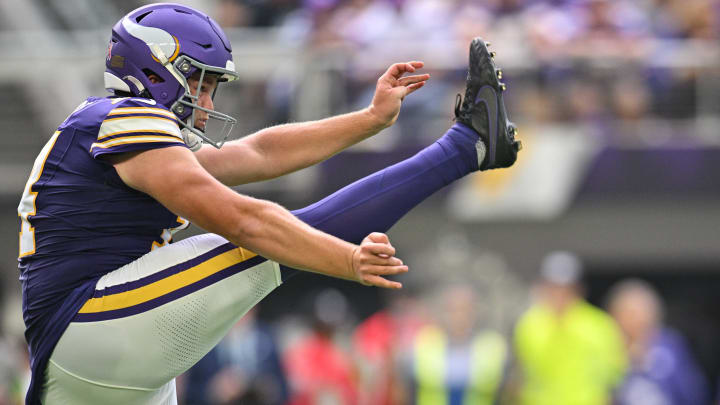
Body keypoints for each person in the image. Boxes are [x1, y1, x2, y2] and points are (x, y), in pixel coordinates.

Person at [16, 3, 520, 404]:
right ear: (155, 68)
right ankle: (464, 148)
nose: (208, 103)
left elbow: (257, 151)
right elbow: (243, 221)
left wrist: (369, 119)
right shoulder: (125, 119)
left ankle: (466, 147)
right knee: (255, 247)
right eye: (199, 82)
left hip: (84, 364)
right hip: (89, 324)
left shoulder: (110, 132)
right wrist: (342, 258)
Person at [510, 251, 627, 405]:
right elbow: (519, 376)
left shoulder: (599, 324)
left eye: (565, 288)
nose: (559, 294)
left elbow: (615, 375)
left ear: (577, 289)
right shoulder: (528, 325)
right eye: (553, 287)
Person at [607, 279, 710, 405]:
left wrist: (653, 365)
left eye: (637, 314)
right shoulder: (606, 345)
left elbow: (693, 390)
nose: (632, 321)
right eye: (626, 314)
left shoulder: (669, 345)